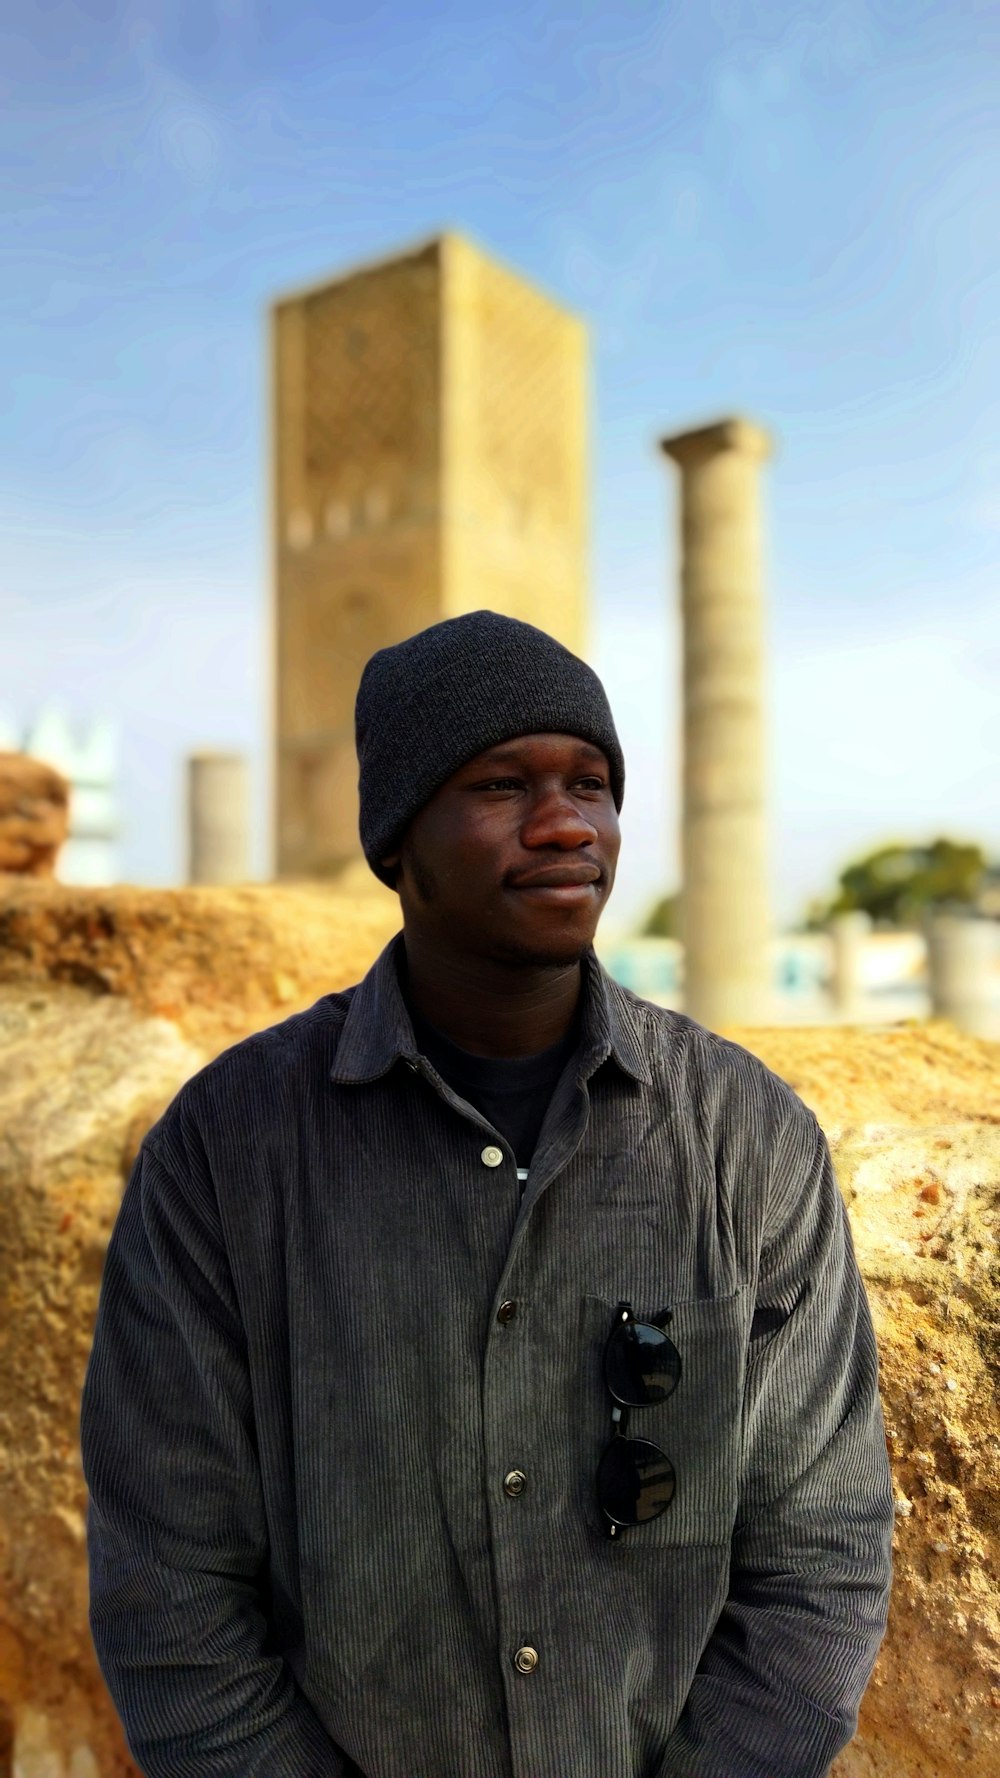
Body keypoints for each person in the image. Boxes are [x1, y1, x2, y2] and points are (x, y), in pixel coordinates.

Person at [81, 610, 893, 1778]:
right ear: (396, 838)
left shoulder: (747, 1138)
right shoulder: (227, 1150)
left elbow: (820, 1557)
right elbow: (170, 1588)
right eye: (503, 783)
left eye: (592, 782)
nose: (568, 824)